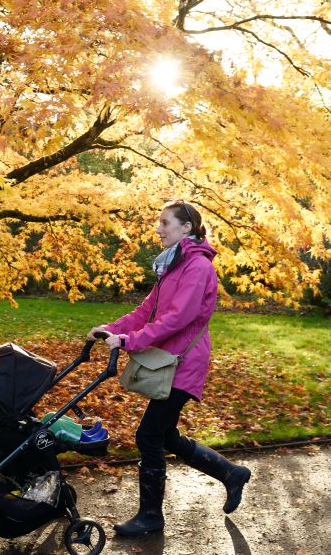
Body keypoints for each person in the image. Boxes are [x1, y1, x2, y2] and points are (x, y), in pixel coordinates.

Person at [88, 200, 251, 537]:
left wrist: (128, 341)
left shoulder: (197, 267)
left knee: (148, 435)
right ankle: (230, 473)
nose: (159, 229)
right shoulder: (173, 265)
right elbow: (146, 309)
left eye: (165, 223)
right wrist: (111, 328)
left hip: (183, 363)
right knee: (163, 435)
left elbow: (178, 318)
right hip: (169, 360)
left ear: (186, 228)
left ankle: (151, 516)